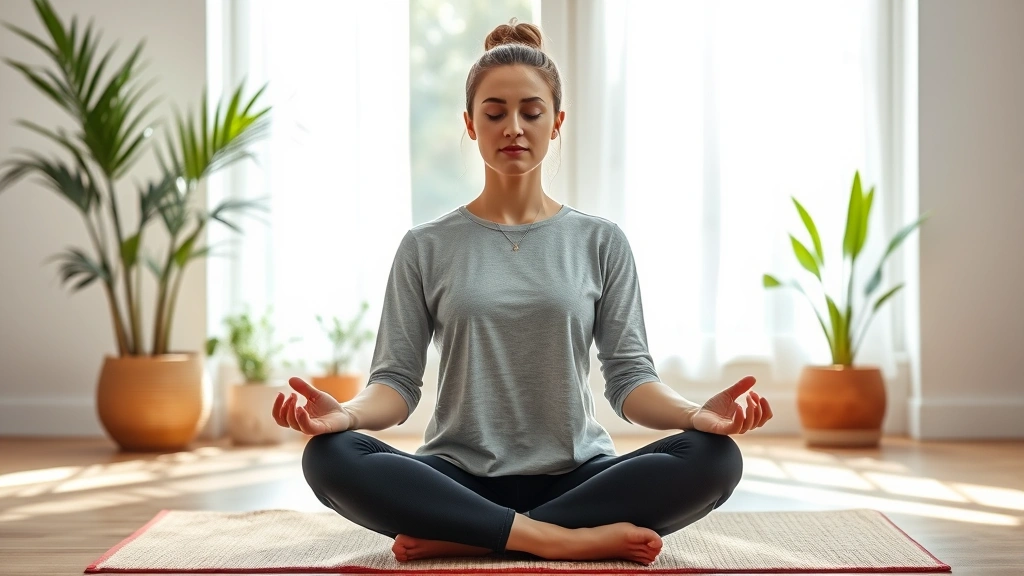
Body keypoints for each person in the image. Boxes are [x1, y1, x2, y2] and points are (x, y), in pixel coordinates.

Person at [272, 19, 773, 566]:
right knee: (329, 457)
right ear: (470, 124)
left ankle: (470, 536)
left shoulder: (601, 241)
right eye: (494, 113)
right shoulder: (425, 246)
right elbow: (395, 384)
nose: (513, 127)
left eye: (531, 113)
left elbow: (630, 381)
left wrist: (696, 415)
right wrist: (343, 416)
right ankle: (555, 540)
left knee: (716, 458)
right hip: (457, 476)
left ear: (556, 123)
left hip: (578, 476)